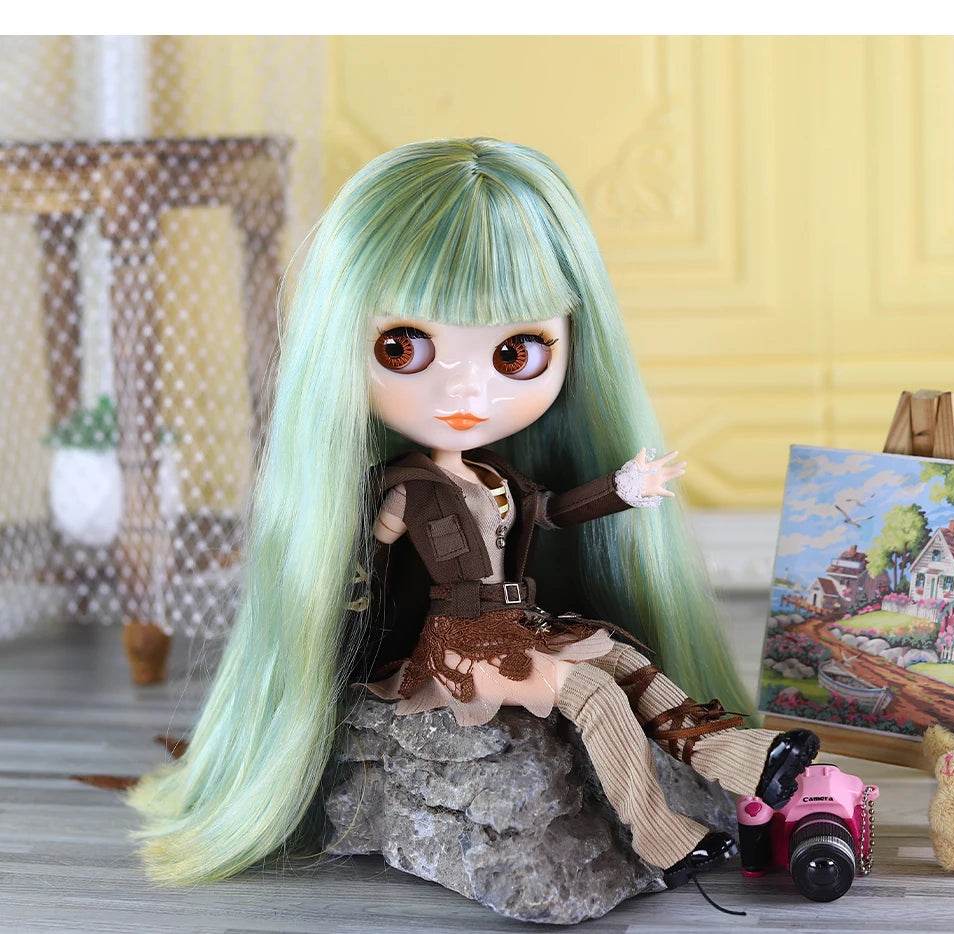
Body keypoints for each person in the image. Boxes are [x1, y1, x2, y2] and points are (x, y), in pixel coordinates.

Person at [128, 137, 818, 893]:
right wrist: (354, 575)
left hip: (516, 626)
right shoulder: (404, 487)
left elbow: (551, 512)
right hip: (457, 646)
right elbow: (363, 565)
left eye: (515, 353)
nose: (466, 394)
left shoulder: (497, 476)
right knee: (590, 692)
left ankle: (747, 763)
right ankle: (660, 836)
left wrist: (624, 488)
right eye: (403, 348)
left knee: (629, 666)